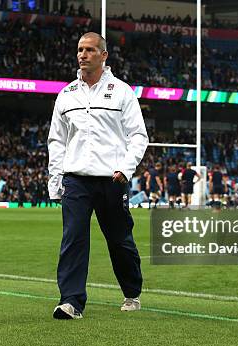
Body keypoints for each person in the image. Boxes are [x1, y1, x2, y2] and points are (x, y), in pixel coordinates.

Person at [47, 32, 148, 320]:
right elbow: (57, 140)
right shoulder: (66, 94)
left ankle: (132, 291)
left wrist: (126, 169)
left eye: (90, 49)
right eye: (80, 49)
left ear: (104, 55)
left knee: (119, 240)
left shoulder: (122, 92)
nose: (83, 54)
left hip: (112, 179)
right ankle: (71, 301)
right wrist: (56, 181)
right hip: (76, 179)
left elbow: (139, 136)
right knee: (73, 238)